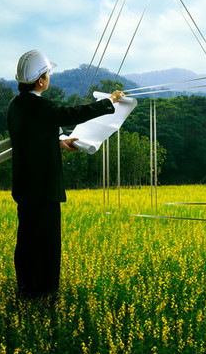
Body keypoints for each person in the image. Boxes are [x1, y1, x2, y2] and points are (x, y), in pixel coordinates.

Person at [7, 49, 124, 300]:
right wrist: (110, 102)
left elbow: (31, 137)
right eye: (48, 74)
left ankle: (26, 290)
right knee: (47, 245)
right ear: (41, 81)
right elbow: (72, 114)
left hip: (25, 189)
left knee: (26, 242)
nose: (49, 77)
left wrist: (59, 142)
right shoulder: (42, 107)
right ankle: (46, 294)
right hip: (44, 189)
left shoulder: (16, 106)